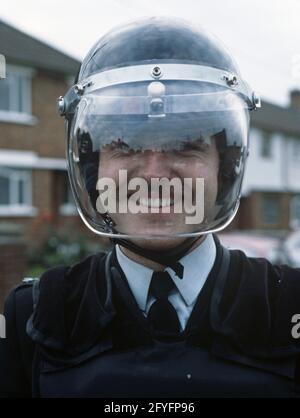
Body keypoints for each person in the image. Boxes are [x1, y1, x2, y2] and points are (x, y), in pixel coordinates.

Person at [1, 16, 300, 398]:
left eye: (186, 144)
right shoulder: (34, 317)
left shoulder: (288, 307)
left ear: (223, 171)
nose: (155, 175)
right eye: (125, 146)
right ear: (95, 173)